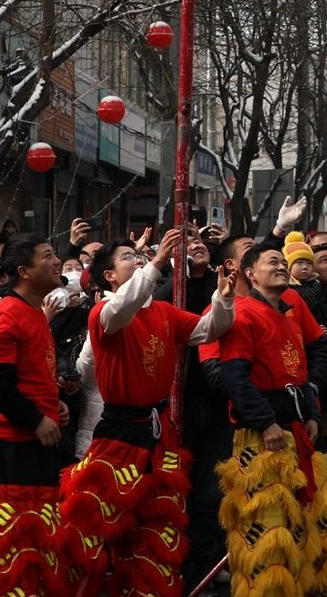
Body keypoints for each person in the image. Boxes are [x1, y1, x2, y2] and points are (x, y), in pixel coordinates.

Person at [60, 230, 236, 597]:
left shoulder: (164, 311)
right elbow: (122, 308)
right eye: (128, 257)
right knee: (96, 525)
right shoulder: (103, 313)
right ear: (109, 275)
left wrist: (223, 297)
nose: (137, 260)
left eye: (138, 257)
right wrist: (156, 265)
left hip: (159, 430)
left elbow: (209, 330)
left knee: (156, 523)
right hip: (119, 432)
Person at [216, 238, 327, 597]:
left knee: (310, 527)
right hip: (263, 434)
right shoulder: (241, 312)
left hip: (298, 427)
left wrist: (312, 411)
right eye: (271, 262)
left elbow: (306, 364)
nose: (280, 267)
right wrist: (265, 422)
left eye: (282, 263)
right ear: (250, 273)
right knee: (268, 531)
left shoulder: (292, 307)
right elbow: (234, 377)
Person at [0, 234, 70, 597]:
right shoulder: (3, 316)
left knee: (37, 535)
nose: (58, 262)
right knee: (11, 540)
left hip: (33, 441)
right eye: (49, 255)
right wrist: (36, 418)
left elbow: (29, 375)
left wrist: (54, 405)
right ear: (24, 271)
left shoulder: (33, 313)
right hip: (8, 444)